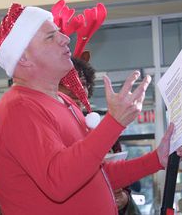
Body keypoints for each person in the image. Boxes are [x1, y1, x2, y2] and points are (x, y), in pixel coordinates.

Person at [0, 2, 182, 214]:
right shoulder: (18, 109)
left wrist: (156, 159)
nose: (65, 39)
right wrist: (114, 123)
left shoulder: (64, 101)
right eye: (51, 37)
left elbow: (97, 173)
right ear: (24, 58)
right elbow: (59, 181)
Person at [59, 56, 141, 215]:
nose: (78, 90)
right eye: (67, 83)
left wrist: (123, 198)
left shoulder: (104, 132)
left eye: (83, 83)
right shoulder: (49, 129)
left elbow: (124, 188)